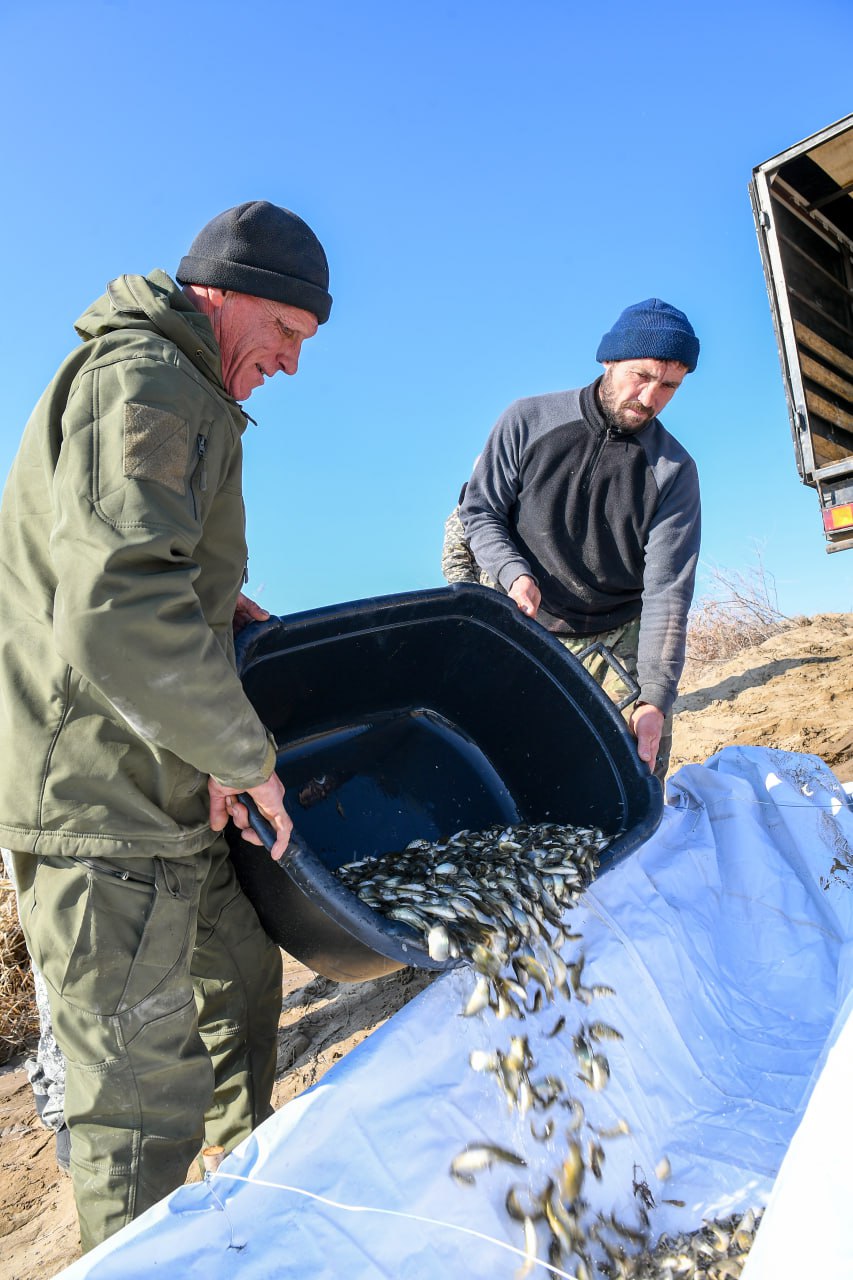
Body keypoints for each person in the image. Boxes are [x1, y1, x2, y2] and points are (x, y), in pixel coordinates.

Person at [0, 201, 332, 1250]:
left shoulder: (184, 388)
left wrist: (220, 601)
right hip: (102, 800)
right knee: (139, 1106)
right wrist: (246, 756)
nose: (287, 364)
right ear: (224, 291)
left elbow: (140, 560)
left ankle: (248, 1198)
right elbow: (115, 606)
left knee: (238, 977)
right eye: (285, 333)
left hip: (162, 780)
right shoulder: (143, 381)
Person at [455, 298, 701, 782]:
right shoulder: (527, 420)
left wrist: (654, 697)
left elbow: (668, 592)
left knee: (634, 772)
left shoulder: (675, 471)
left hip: (618, 627)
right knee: (511, 766)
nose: (650, 398)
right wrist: (513, 573)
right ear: (609, 360)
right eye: (641, 375)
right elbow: (480, 511)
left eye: (669, 386)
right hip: (527, 619)